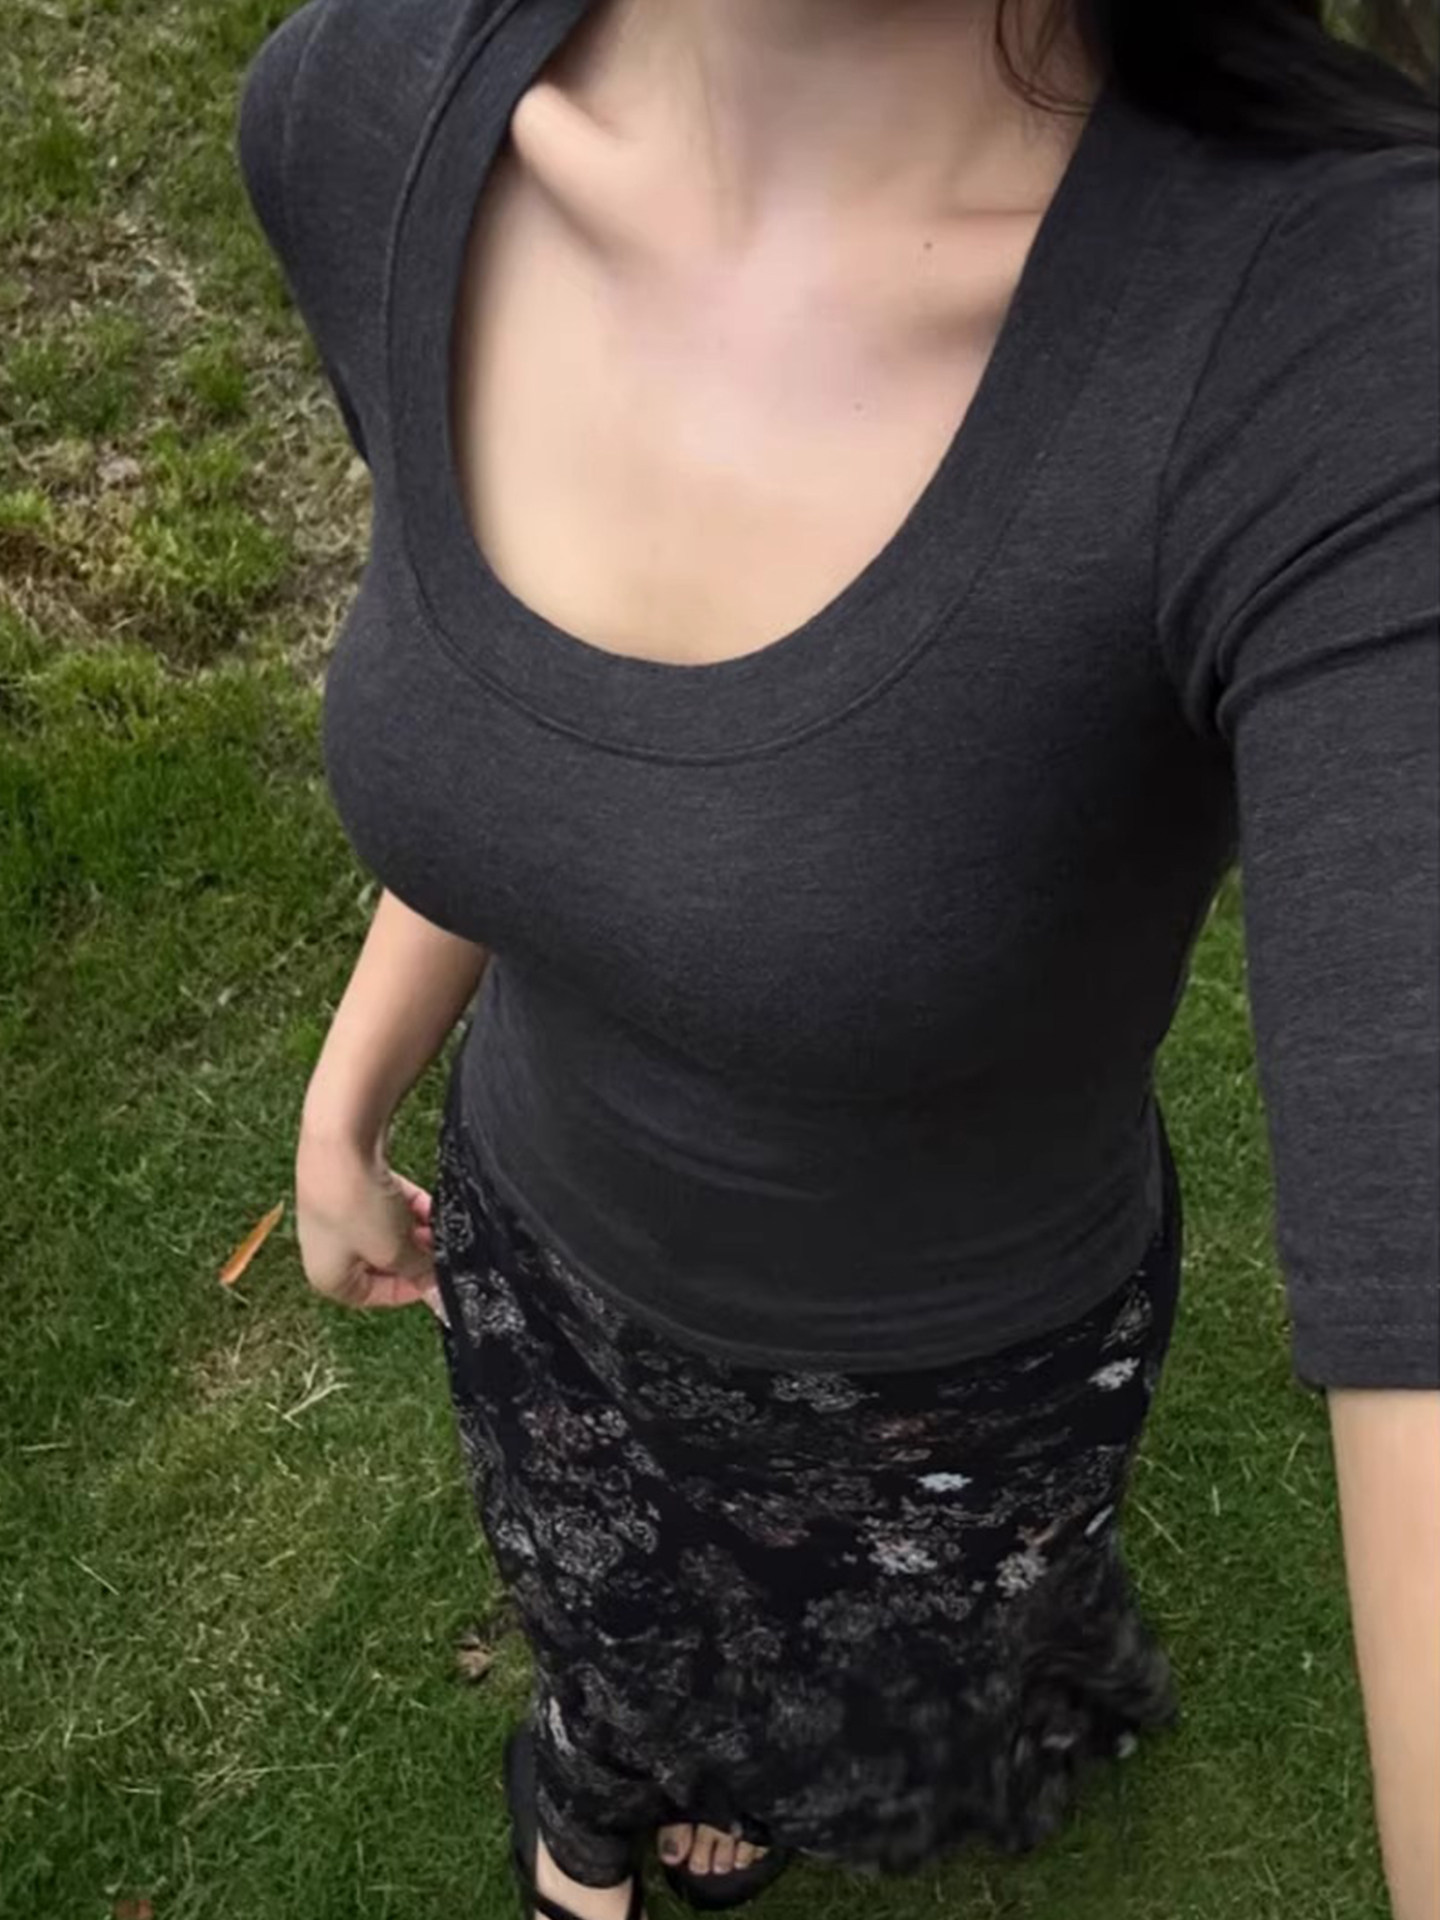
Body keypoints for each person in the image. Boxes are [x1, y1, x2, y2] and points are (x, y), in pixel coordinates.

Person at [241, 1, 1440, 1915]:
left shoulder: (1339, 339)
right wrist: (348, 1088)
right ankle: (602, 1777)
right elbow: (549, 761)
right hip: (543, 1263)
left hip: (946, 1382)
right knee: (597, 1599)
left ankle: (747, 1787)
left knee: (859, 1699)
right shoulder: (363, 116)